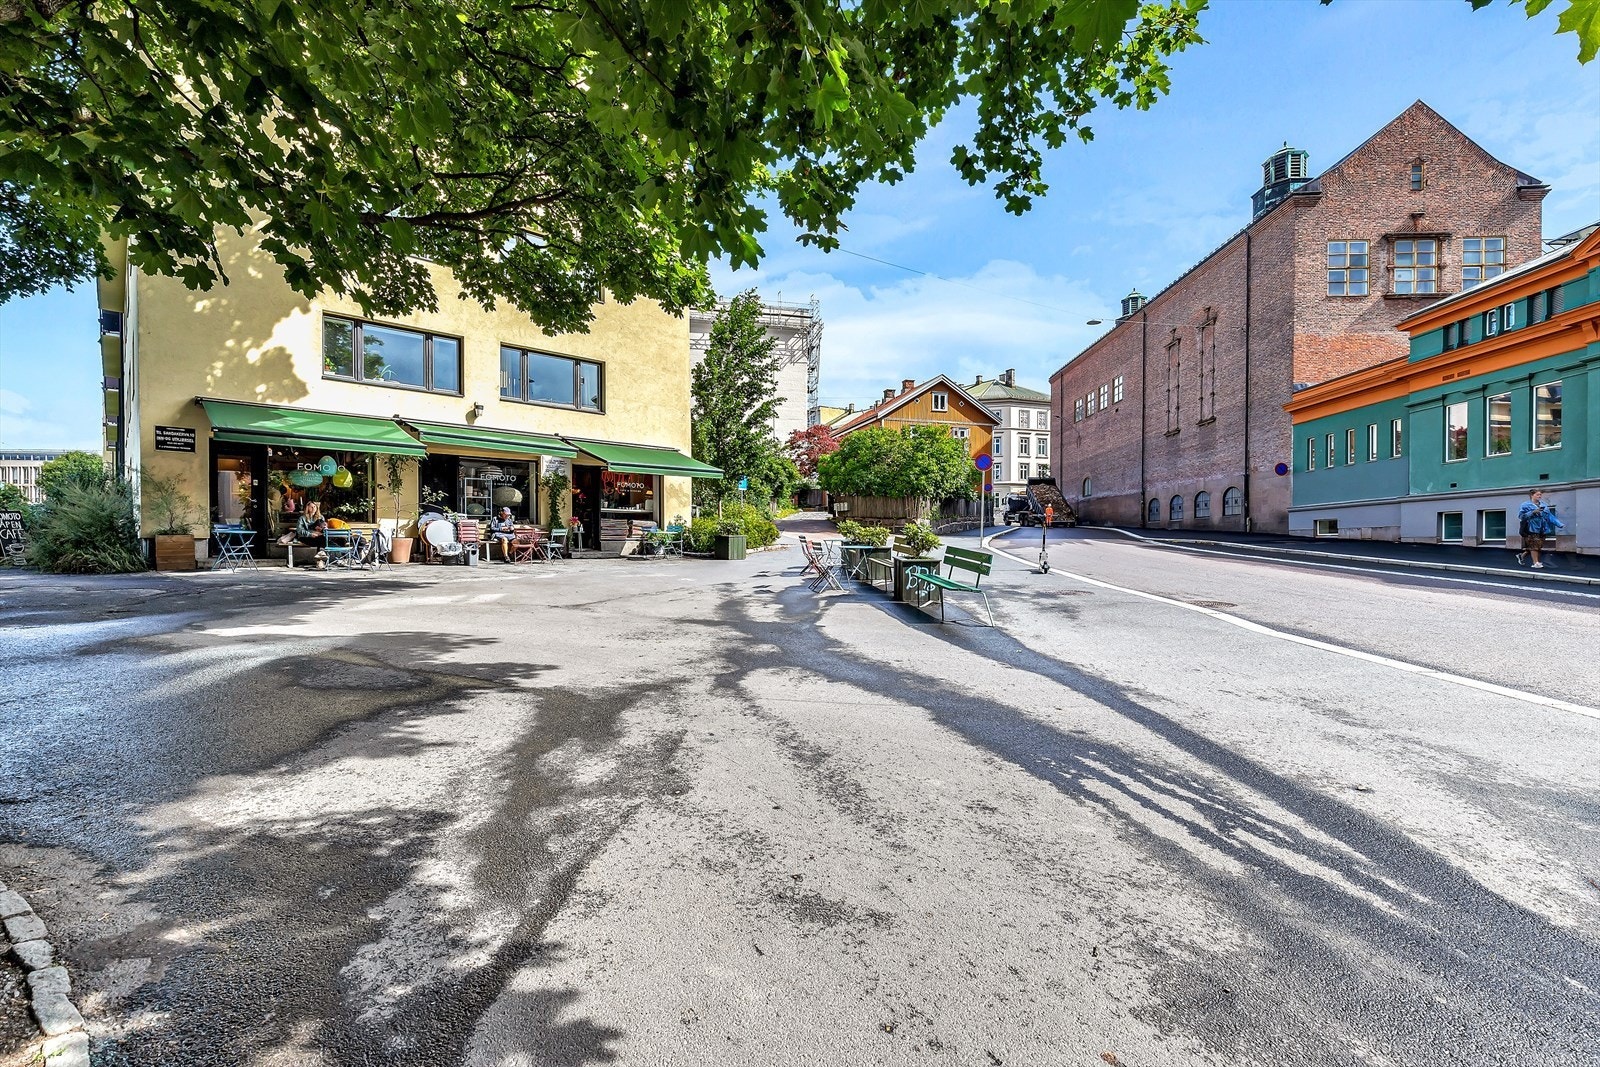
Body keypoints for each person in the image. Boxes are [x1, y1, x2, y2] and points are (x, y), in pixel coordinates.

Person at [1516, 488, 1564, 569]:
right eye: (1537, 494)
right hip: (1531, 527)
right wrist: (1532, 512)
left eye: (1540, 495)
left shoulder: (1544, 505)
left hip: (1542, 528)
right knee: (1534, 545)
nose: (1539, 496)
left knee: (1538, 545)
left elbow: (1549, 516)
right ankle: (1536, 563)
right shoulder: (1525, 505)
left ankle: (1521, 555)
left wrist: (1559, 524)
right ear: (1532, 495)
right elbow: (1521, 516)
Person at [295, 501, 329, 569]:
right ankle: (320, 560)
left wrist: (324, 529)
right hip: (305, 537)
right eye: (311, 507)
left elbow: (324, 530)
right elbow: (299, 530)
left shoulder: (321, 517)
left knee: (322, 539)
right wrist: (310, 534)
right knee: (322, 540)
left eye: (314, 507)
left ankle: (319, 559)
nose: (313, 508)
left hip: (318, 537)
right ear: (307, 508)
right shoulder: (302, 518)